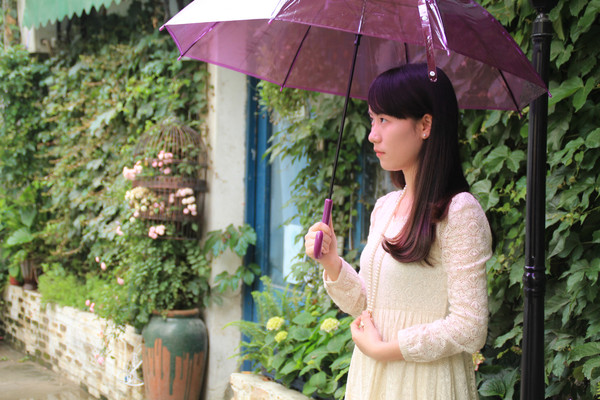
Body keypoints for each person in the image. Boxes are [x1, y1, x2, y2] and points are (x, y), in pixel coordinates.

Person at [304, 63, 493, 399]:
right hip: (373, 379)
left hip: (424, 384)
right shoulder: (386, 207)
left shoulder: (458, 212)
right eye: (372, 119)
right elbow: (367, 304)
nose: (372, 134)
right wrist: (331, 262)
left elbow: (470, 327)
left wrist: (384, 349)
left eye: (384, 120)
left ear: (425, 125)